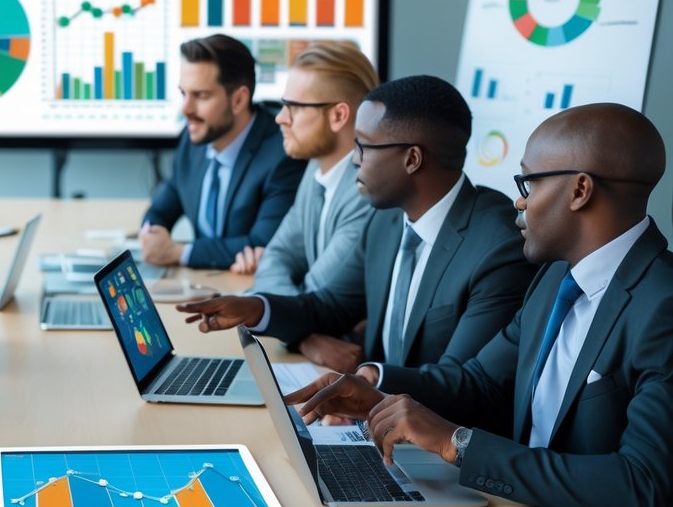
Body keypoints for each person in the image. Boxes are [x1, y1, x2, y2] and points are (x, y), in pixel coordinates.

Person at [283, 103, 673, 507]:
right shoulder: (556, 278)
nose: (518, 200)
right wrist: (379, 393)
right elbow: (481, 383)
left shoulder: (662, 306)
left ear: (580, 190)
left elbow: (642, 488)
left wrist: (458, 443)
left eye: (529, 183)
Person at [179, 75, 535, 373]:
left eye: (363, 146)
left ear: (412, 159)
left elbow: (460, 381)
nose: (353, 160)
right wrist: (258, 308)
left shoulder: (497, 248)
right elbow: (331, 306)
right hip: (377, 417)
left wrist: (369, 385)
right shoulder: (386, 219)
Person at [140, 34, 306, 269]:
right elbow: (160, 208)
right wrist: (151, 234)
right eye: (183, 94)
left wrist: (179, 252)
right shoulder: (192, 139)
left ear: (238, 100)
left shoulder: (282, 155)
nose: (185, 109)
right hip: (203, 284)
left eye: (201, 95)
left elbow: (263, 245)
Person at [230, 42, 378, 300]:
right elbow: (276, 257)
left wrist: (283, 306)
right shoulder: (316, 169)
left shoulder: (366, 193)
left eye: (294, 107)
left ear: (338, 116)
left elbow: (312, 300)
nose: (280, 118)